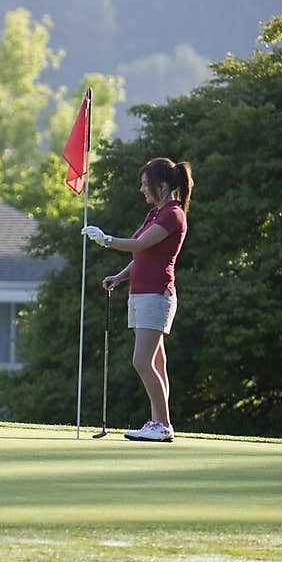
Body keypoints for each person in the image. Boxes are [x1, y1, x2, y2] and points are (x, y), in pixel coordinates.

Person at [82, 157, 193, 443]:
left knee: (142, 361)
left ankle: (163, 425)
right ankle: (157, 421)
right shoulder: (155, 213)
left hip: (156, 294)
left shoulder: (172, 214)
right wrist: (119, 277)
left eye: (146, 185)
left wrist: (106, 239)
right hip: (141, 293)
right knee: (156, 361)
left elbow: (140, 244)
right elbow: (141, 255)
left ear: (163, 185)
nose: (142, 190)